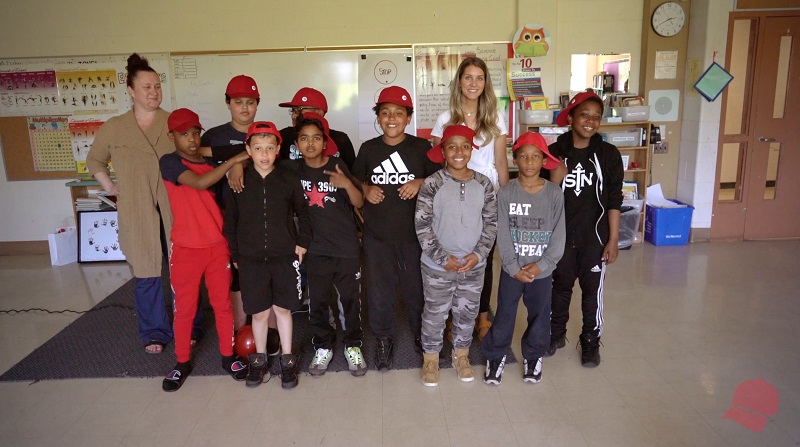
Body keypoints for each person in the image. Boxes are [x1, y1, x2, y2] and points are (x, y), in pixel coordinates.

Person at [87, 53, 200, 354]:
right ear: (131, 91)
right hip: (137, 209)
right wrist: (110, 186)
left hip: (175, 206)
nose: (153, 92)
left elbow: (195, 156)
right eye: (146, 86)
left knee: (183, 268)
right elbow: (94, 160)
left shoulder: (173, 123)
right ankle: (154, 332)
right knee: (146, 270)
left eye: (157, 86)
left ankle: (188, 325)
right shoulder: (115, 127)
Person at [158, 108, 251, 391]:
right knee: (185, 309)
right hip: (186, 249)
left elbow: (242, 150)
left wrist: (237, 162)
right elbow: (199, 183)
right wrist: (234, 161)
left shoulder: (212, 161)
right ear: (171, 136)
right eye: (183, 134)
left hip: (216, 246)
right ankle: (182, 362)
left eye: (196, 133)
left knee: (222, 305)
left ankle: (227, 357)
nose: (191, 139)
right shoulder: (170, 162)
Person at [351, 86, 440, 370]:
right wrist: (365, 189)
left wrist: (419, 182)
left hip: (416, 236)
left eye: (398, 113)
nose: (391, 118)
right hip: (378, 237)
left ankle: (421, 335)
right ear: (378, 117)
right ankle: (383, 339)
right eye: (385, 113)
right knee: (379, 293)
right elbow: (353, 185)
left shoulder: (420, 148)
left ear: (408, 118)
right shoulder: (369, 149)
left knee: (417, 290)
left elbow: (442, 180)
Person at [223, 121, 312, 389]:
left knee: (283, 309)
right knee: (259, 313)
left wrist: (302, 242)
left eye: (270, 148)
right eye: (258, 148)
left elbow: (304, 213)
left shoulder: (288, 179)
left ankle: (287, 360)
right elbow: (231, 222)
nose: (264, 154)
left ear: (278, 150)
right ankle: (259, 361)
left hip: (284, 256)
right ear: (248, 150)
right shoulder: (238, 181)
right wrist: (236, 252)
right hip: (251, 258)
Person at [543, 91, 623, 367]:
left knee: (592, 292)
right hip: (560, 236)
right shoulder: (554, 153)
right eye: (584, 115)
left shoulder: (608, 154)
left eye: (596, 117)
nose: (590, 121)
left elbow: (614, 199)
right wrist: (555, 179)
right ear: (572, 117)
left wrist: (612, 239)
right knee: (560, 287)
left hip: (595, 237)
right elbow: (541, 197)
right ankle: (556, 334)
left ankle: (590, 339)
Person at [431, 56, 509, 341]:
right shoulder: (444, 119)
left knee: (483, 258)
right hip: (454, 194)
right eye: (468, 77)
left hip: (486, 195)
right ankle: (454, 316)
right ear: (459, 82)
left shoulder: (496, 118)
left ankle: (482, 315)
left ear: (485, 83)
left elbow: (501, 162)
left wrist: (506, 200)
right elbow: (438, 165)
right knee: (454, 253)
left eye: (479, 78)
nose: (474, 83)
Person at [415, 125, 497, 386]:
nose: (459, 152)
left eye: (465, 146)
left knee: (467, 313)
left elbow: (491, 224)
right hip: (437, 267)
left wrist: (478, 255)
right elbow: (422, 224)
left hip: (473, 266)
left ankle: (461, 355)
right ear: (443, 151)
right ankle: (430, 359)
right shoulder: (432, 183)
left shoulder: (483, 184)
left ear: (472, 149)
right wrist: (443, 258)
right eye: (452, 146)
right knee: (435, 314)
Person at [481, 132, 565, 385]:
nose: (529, 162)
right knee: (505, 313)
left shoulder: (554, 194)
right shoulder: (506, 193)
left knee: (540, 315)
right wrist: (513, 267)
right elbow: (503, 234)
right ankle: (496, 356)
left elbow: (558, 236)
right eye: (523, 156)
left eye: (535, 156)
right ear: (515, 159)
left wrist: (541, 266)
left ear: (543, 161)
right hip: (512, 271)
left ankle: (533, 355)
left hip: (541, 271)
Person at [287, 112, 366, 377]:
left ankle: (353, 345)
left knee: (350, 301)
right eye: (304, 139)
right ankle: (323, 346)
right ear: (296, 144)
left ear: (325, 142)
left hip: (346, 249)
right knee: (318, 302)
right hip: (316, 250)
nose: (310, 144)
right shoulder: (292, 171)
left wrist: (345, 183)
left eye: (316, 138)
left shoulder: (337, 165)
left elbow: (359, 202)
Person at [277, 87, 357, 169]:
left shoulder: (341, 140)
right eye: (293, 110)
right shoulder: (282, 137)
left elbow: (352, 176)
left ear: (319, 112)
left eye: (298, 110)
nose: (293, 115)